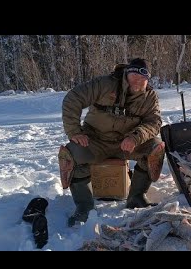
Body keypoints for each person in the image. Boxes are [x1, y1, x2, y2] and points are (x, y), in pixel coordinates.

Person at [58, 58, 165, 227]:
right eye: (133, 74)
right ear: (126, 74)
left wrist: (135, 137)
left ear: (148, 79)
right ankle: (84, 206)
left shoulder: (150, 96)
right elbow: (73, 98)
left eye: (142, 76)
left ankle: (136, 197)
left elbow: (154, 122)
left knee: (155, 149)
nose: (137, 79)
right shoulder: (104, 84)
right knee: (70, 155)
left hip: (127, 143)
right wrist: (74, 132)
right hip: (95, 140)